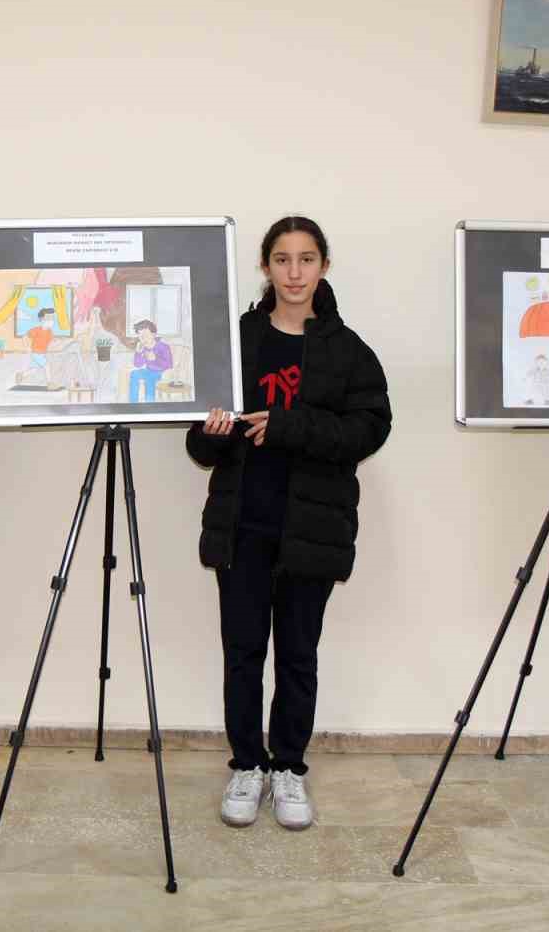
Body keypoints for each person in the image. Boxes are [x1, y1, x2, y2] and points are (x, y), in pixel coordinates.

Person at [185, 216, 391, 830]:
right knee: (243, 651)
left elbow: (370, 428)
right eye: (282, 259)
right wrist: (214, 434)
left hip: (314, 527)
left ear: (324, 265)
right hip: (242, 524)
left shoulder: (348, 349)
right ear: (266, 267)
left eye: (306, 259)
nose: (294, 272)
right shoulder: (235, 338)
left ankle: (290, 769)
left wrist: (291, 425)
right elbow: (200, 445)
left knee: (298, 653)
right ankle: (247, 765)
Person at [128, 318, 173, 401]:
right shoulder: (143, 347)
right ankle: (133, 402)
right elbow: (137, 364)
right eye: (140, 336)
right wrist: (138, 353)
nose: (143, 338)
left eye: (145, 335)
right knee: (134, 373)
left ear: (153, 334)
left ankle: (150, 402)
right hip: (148, 370)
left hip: (161, 372)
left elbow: (169, 365)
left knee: (149, 378)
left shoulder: (163, 347)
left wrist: (155, 359)